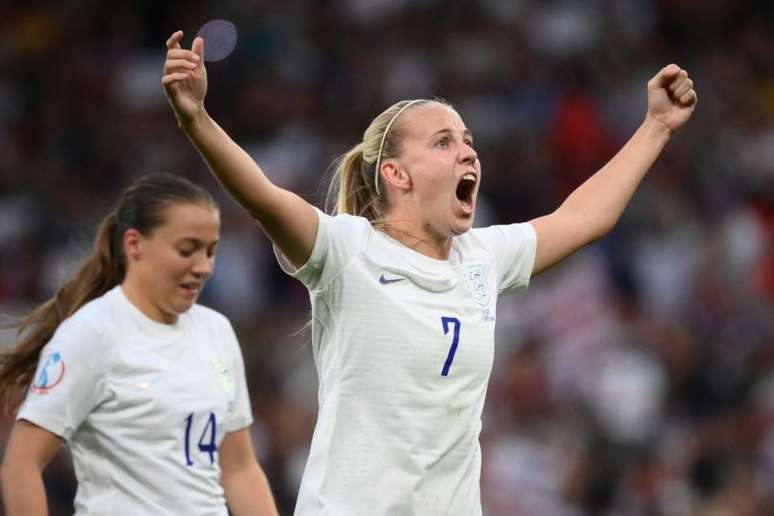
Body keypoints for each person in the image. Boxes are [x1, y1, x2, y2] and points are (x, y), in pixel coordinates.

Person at [161, 30, 697, 515]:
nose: (467, 152)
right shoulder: (348, 251)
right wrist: (198, 120)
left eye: (468, 141)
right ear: (396, 174)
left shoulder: (484, 257)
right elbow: (263, 197)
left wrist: (655, 126)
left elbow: (582, 218)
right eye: (443, 142)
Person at [0, 174, 278, 516]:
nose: (203, 266)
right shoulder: (92, 333)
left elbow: (239, 469)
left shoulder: (216, 330)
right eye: (187, 249)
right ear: (134, 245)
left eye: (211, 251)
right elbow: (21, 466)